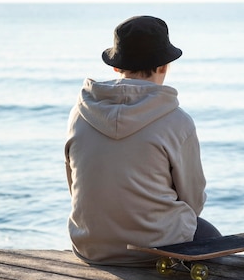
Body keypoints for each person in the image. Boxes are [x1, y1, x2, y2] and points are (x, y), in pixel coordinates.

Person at [65, 15, 221, 266]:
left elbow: (75, 184)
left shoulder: (80, 114)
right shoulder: (177, 121)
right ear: (164, 66)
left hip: (91, 246)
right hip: (157, 249)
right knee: (212, 238)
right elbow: (193, 199)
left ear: (116, 66)